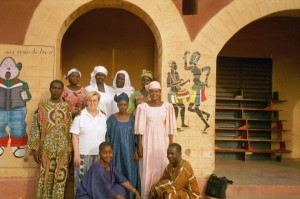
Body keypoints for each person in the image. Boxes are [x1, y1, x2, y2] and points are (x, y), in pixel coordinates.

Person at [28, 80, 72, 199]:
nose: (56, 90)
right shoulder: (42, 106)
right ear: (50, 89)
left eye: (59, 88)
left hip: (62, 149)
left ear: (62, 91)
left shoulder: (66, 107)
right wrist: (35, 149)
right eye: (54, 88)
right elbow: (35, 128)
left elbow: (69, 129)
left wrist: (69, 149)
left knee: (60, 177)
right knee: (45, 177)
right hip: (46, 149)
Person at [135, 81, 177, 198]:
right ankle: (147, 194)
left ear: (160, 92)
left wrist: (171, 145)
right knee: (147, 166)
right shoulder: (142, 107)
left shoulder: (168, 107)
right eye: (152, 91)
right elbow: (140, 129)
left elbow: (170, 129)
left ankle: (161, 193)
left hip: (162, 140)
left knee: (162, 164)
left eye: (157, 91)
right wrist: (139, 145)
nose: (154, 94)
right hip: (147, 140)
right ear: (149, 92)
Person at [70, 91, 107, 192]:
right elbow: (74, 135)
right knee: (81, 183)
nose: (92, 103)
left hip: (99, 156)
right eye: (90, 100)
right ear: (87, 101)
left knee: (98, 184)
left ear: (98, 101)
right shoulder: (80, 115)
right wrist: (76, 154)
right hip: (83, 155)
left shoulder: (103, 116)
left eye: (94, 100)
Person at [76, 141, 141, 199]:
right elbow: (107, 189)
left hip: (104, 191)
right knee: (115, 193)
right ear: (99, 153)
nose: (108, 155)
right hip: (87, 195)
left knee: (120, 189)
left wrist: (135, 192)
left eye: (110, 153)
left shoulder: (110, 165)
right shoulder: (97, 168)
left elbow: (122, 179)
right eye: (104, 153)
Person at [106, 93, 140, 199]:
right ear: (117, 105)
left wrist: (136, 151)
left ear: (128, 104)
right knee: (117, 174)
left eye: (125, 104)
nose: (123, 107)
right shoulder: (111, 119)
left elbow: (136, 135)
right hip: (116, 153)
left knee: (130, 175)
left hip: (130, 153)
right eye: (120, 104)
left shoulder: (133, 119)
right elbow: (108, 137)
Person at [184, 51, 211, 133]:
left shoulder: (194, 68)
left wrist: (185, 56)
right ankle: (206, 114)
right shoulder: (199, 69)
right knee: (190, 108)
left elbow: (185, 67)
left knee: (195, 108)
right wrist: (206, 81)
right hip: (196, 89)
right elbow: (208, 68)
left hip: (198, 89)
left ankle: (206, 124)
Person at [167, 61, 190, 130]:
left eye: (175, 65)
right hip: (172, 94)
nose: (174, 67)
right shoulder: (169, 75)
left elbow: (178, 85)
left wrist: (185, 81)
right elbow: (168, 85)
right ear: (171, 67)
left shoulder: (177, 75)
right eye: (173, 65)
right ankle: (174, 126)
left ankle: (182, 123)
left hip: (177, 94)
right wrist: (177, 83)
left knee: (183, 107)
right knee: (176, 109)